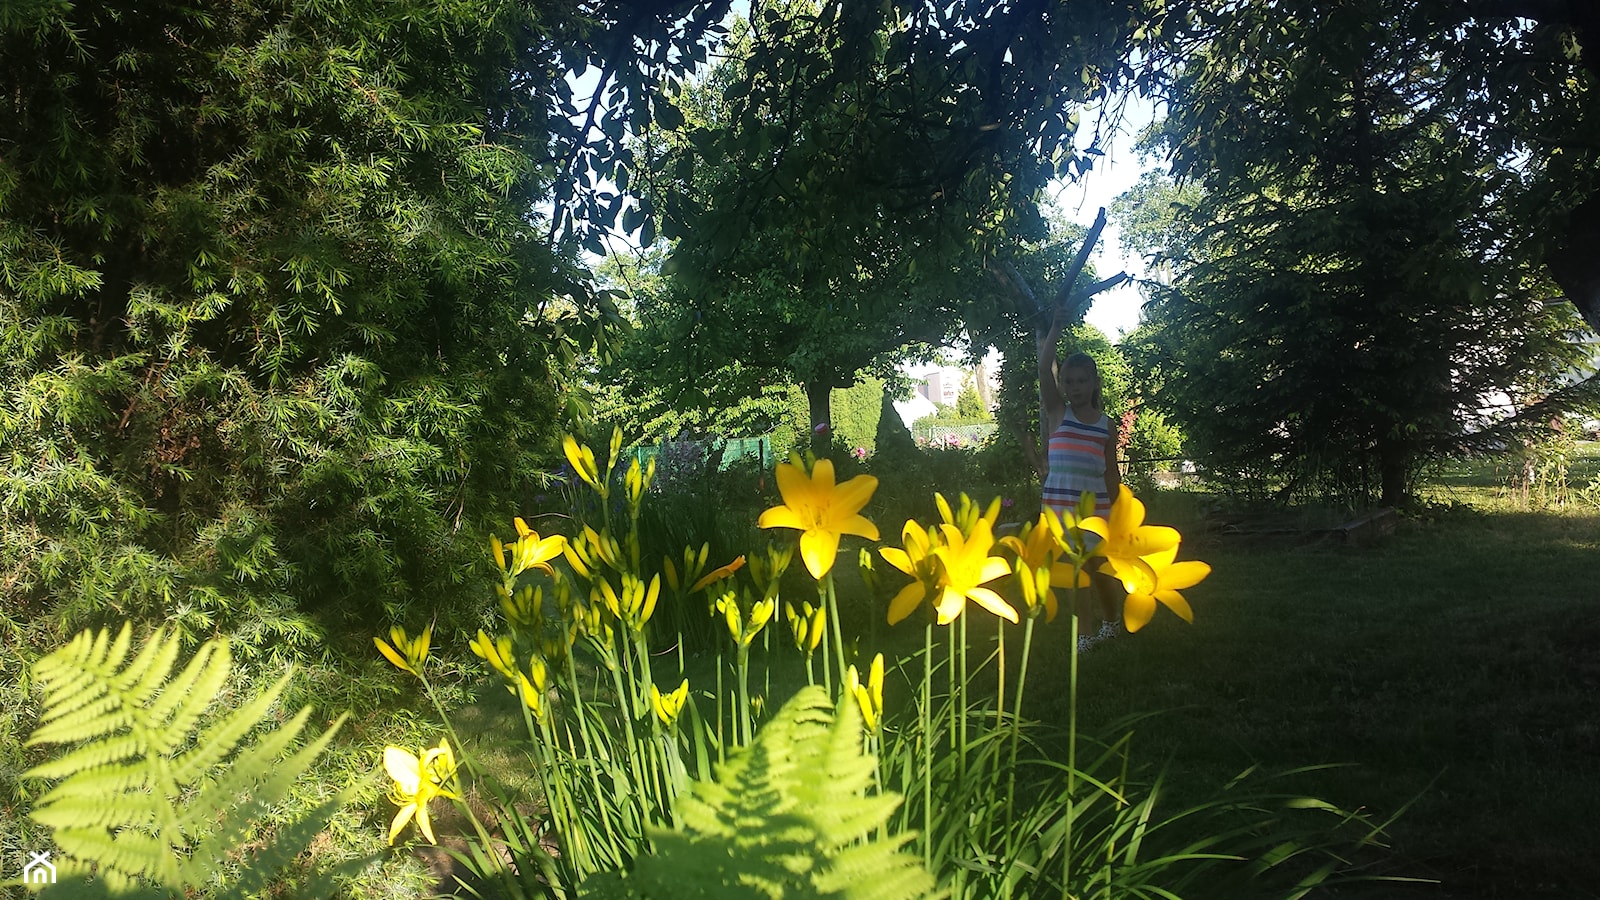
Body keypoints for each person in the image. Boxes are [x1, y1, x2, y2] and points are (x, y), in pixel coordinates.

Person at [1036, 314, 1122, 652]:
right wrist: (1054, 328)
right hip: (1060, 507)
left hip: (1095, 508)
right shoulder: (1058, 413)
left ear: (1094, 383)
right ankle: (1084, 634)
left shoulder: (1105, 425)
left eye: (1081, 381)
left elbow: (1111, 470)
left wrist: (1114, 507)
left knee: (1098, 571)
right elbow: (1045, 370)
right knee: (1076, 573)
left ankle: (1112, 621)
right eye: (1069, 382)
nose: (1074, 388)